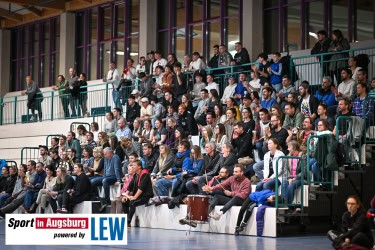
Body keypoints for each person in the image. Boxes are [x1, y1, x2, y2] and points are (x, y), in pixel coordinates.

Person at [91, 147, 122, 212]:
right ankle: (98, 199)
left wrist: (119, 180)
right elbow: (105, 169)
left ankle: (107, 201)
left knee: (105, 181)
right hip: (106, 176)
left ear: (110, 153)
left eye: (105, 154)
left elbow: (117, 169)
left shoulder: (115, 157)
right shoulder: (105, 158)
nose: (104, 155)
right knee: (93, 181)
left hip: (114, 176)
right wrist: (104, 176)